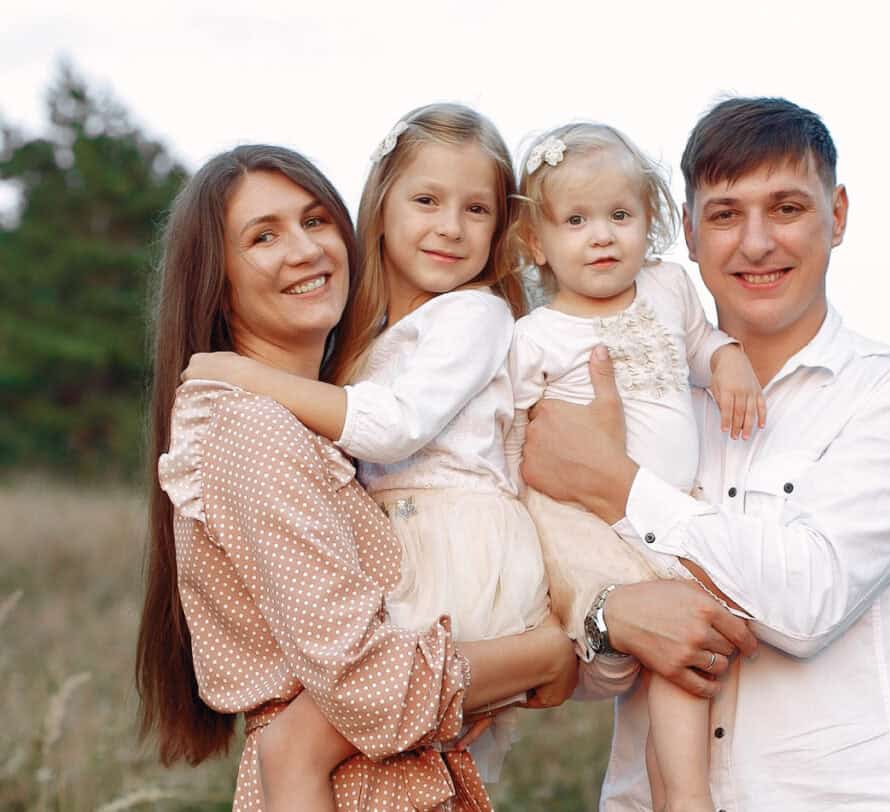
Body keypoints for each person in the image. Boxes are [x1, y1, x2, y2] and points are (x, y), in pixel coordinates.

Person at [521, 97, 890, 811]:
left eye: (786, 208)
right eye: (725, 214)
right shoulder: (635, 397)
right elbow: (575, 667)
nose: (756, 243)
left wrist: (617, 484)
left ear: (838, 214)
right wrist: (609, 617)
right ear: (689, 233)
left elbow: (808, 603)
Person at [135, 143, 577, 811]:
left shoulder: (326, 418)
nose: (305, 250)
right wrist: (547, 652)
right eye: (263, 236)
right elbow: (370, 684)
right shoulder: (251, 430)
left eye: (315, 221)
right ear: (216, 280)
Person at [505, 121, 763, 812]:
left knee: (682, 649)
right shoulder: (534, 337)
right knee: (666, 640)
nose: (601, 235)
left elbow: (703, 342)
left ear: (649, 223)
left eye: (620, 216)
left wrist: (727, 360)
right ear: (537, 243)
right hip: (586, 522)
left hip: (670, 505)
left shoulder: (668, 288)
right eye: (577, 220)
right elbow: (512, 439)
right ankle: (685, 797)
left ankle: (678, 795)